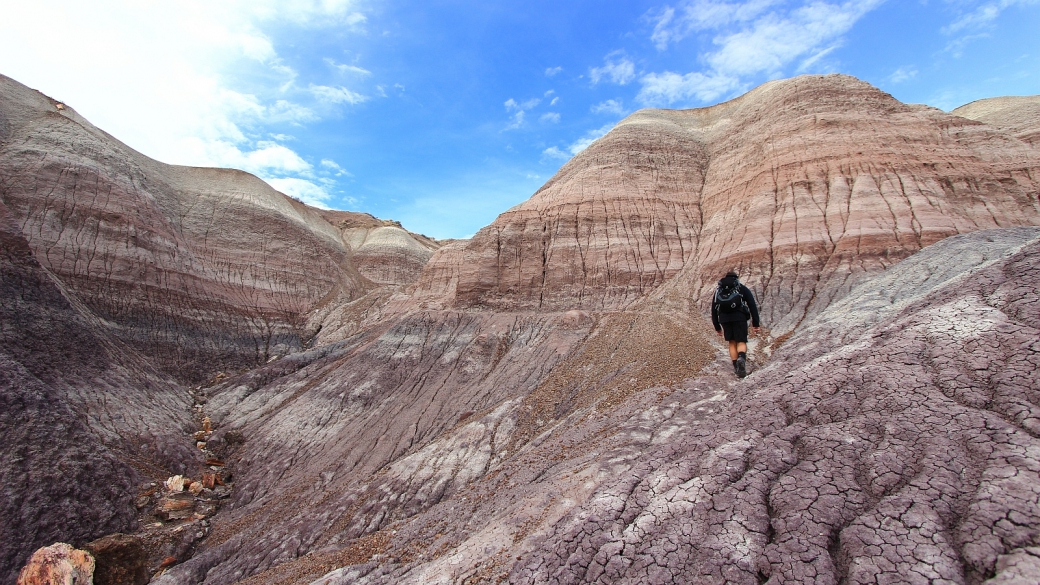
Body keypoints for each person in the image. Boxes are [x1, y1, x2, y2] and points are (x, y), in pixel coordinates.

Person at [711, 270, 761, 378]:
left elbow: (713, 309)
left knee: (732, 343)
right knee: (741, 341)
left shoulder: (719, 291)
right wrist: (756, 323)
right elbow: (752, 305)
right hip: (739, 318)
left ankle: (737, 368)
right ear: (736, 278)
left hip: (724, 319)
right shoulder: (741, 288)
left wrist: (717, 327)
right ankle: (741, 359)